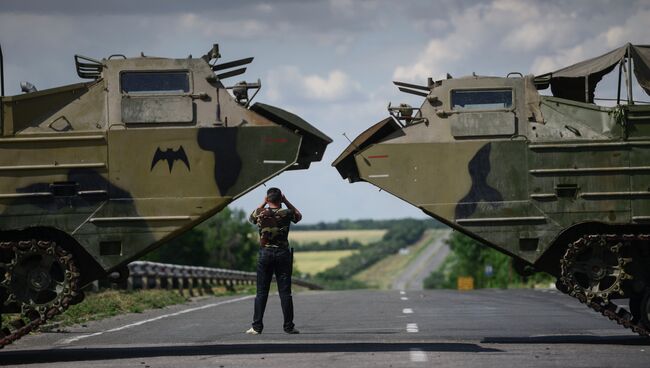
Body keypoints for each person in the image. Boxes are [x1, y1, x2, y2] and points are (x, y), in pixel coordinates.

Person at [246, 187, 302, 335]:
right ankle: (289, 326)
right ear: (280, 199)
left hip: (265, 254)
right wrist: (286, 201)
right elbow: (298, 216)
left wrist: (263, 203)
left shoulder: (260, 212)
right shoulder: (286, 213)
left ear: (268, 199)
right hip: (283, 254)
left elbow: (251, 219)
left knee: (261, 292)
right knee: (285, 293)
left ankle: (257, 327)